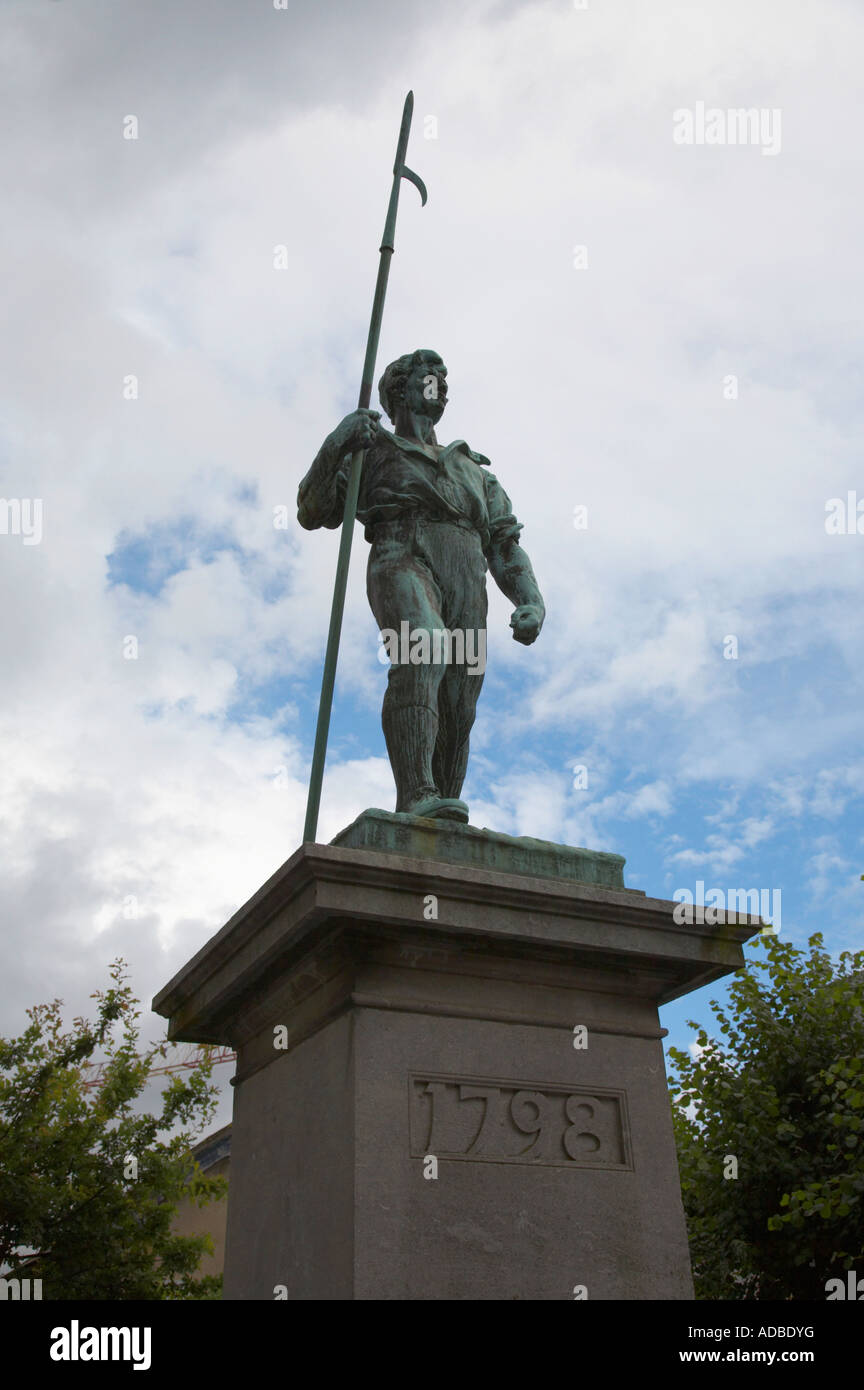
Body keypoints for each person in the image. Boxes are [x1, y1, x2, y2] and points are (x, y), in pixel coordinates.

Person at [297, 349, 545, 823]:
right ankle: (417, 793)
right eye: (431, 379)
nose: (442, 387)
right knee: (423, 649)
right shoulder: (372, 451)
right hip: (401, 554)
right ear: (400, 391)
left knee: (460, 698)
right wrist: (336, 443)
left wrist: (531, 599)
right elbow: (313, 511)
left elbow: (505, 547)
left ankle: (440, 816)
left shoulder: (473, 468)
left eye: (445, 382)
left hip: (467, 574)